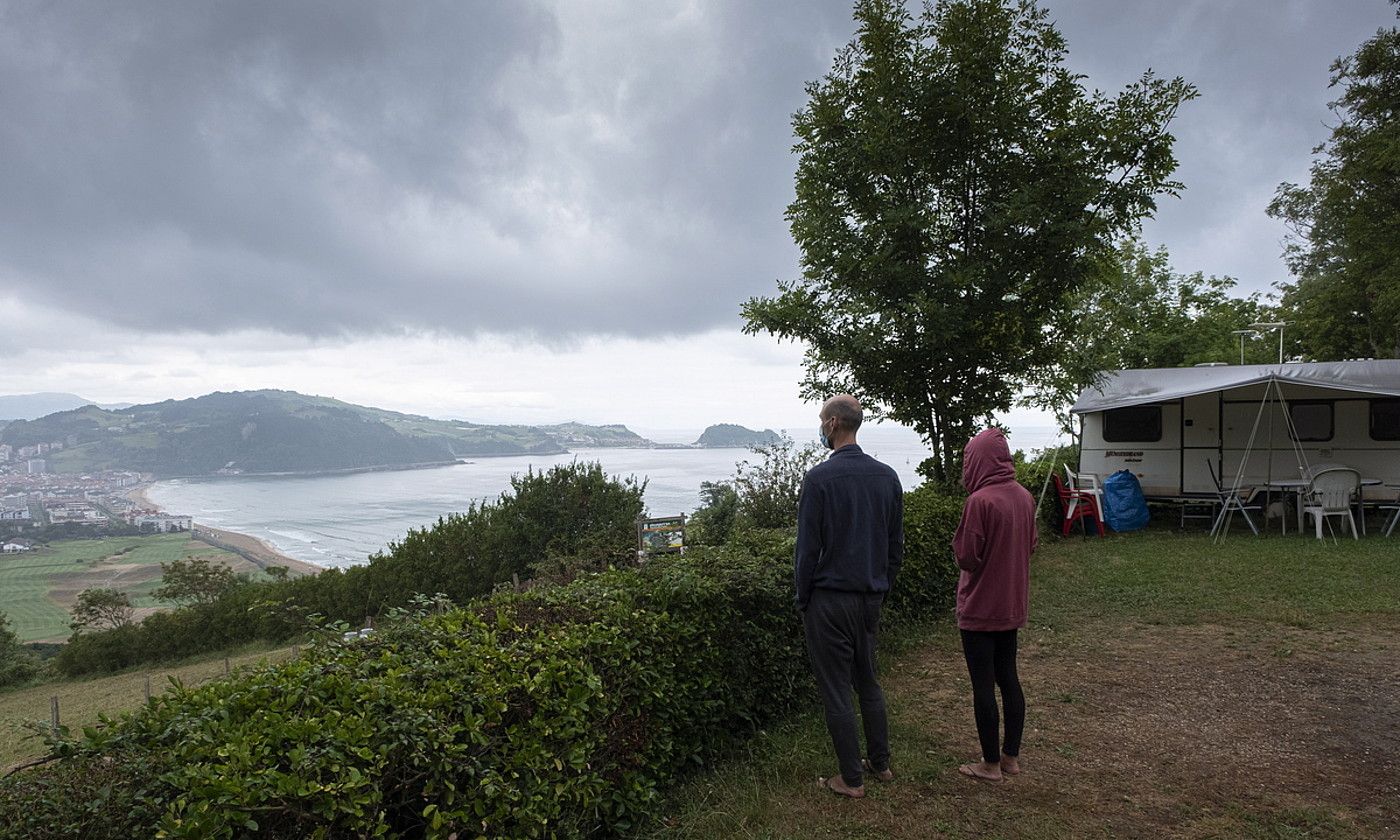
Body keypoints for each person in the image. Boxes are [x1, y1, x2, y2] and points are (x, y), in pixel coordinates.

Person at [795, 394, 904, 799]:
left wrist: (803, 597)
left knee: (837, 688)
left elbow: (806, 550)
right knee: (868, 680)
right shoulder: (887, 476)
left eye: (822, 419)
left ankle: (850, 779)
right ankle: (881, 764)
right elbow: (896, 546)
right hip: (869, 597)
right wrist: (881, 586)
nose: (821, 425)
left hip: (829, 600)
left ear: (834, 424)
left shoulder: (819, 479)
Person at [952, 428, 1037, 782]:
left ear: (979, 460)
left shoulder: (980, 501)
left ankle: (988, 765)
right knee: (1010, 679)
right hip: (1010, 605)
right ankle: (1010, 758)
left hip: (980, 609)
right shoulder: (1024, 497)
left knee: (982, 686)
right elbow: (1030, 545)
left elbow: (967, 557)